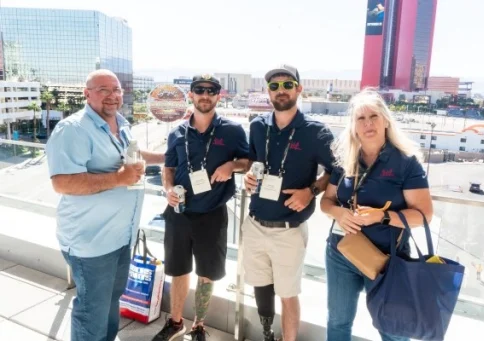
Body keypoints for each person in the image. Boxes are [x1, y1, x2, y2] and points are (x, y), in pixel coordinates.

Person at [46, 69, 165, 341]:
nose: (112, 96)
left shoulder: (119, 122)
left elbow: (131, 155)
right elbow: (63, 183)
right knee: (92, 312)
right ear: (87, 94)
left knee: (111, 301)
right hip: (91, 242)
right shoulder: (73, 129)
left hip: (120, 237)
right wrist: (118, 178)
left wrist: (166, 156)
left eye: (116, 90)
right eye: (103, 90)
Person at [320, 88, 433, 341]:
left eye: (373, 116)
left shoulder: (406, 163)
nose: (368, 123)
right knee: (338, 322)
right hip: (342, 252)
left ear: (385, 121)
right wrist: (339, 213)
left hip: (387, 260)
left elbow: (424, 215)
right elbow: (326, 202)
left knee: (392, 329)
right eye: (361, 118)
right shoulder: (344, 159)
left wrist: (381, 217)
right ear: (354, 126)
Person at [152, 74, 249, 341]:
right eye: (199, 90)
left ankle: (198, 325)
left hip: (212, 214)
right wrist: (168, 189)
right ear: (191, 95)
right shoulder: (177, 133)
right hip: (179, 213)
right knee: (178, 268)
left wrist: (232, 166)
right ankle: (175, 322)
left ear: (219, 95)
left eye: (211, 90)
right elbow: (168, 168)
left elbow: (248, 161)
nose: (205, 95)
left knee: (207, 272)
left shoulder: (232, 130)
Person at [243, 64, 335, 341]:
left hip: (289, 229)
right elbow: (254, 160)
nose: (280, 90)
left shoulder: (315, 131)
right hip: (255, 222)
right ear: (267, 92)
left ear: (298, 89)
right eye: (274, 86)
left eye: (287, 85)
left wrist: (312, 190)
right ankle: (268, 334)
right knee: (260, 285)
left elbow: (336, 170)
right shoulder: (258, 126)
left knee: (287, 293)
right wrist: (249, 174)